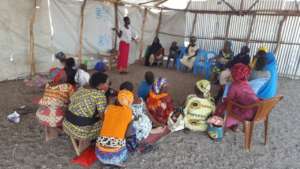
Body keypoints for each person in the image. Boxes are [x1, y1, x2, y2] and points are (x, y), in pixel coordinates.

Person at [63, 72, 109, 153]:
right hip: (81, 131)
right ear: (101, 85)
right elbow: (103, 117)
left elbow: (71, 102)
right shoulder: (99, 95)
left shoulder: (81, 88)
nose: (108, 85)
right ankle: (87, 144)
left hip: (67, 124)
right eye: (107, 83)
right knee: (107, 124)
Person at [95, 90, 134, 167]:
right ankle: (117, 163)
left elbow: (110, 107)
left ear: (117, 99)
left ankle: (108, 163)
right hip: (117, 157)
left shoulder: (108, 109)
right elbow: (128, 134)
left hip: (99, 155)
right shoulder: (129, 113)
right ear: (130, 102)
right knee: (126, 147)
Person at [214, 63, 259, 129]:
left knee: (222, 106)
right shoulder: (246, 83)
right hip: (256, 111)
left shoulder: (234, 86)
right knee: (234, 103)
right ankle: (234, 125)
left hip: (246, 113)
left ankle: (224, 123)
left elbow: (229, 101)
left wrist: (219, 110)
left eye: (232, 73)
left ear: (234, 75)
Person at [36, 76, 75, 141]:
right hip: (56, 117)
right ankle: (58, 130)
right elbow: (73, 100)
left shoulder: (48, 85)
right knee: (66, 109)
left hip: (40, 115)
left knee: (51, 108)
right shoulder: (68, 86)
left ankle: (49, 130)